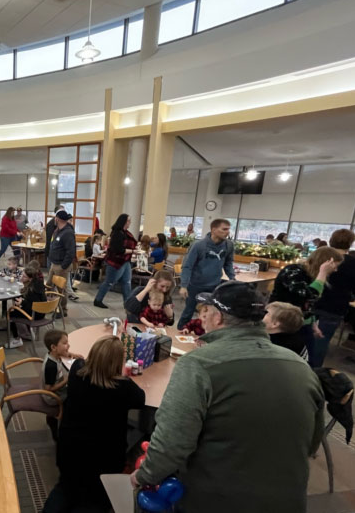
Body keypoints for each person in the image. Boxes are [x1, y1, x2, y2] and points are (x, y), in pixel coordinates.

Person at [131, 281, 324, 513]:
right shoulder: (301, 366)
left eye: (206, 311)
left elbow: (173, 443)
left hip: (215, 500)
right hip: (289, 500)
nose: (201, 316)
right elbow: (313, 442)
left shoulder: (197, 365)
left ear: (218, 318)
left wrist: (144, 475)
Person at [44, 336, 145, 513]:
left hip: (70, 449)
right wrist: (122, 375)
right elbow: (141, 399)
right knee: (94, 500)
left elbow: (80, 360)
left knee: (65, 487)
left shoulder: (77, 371)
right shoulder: (123, 388)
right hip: (104, 457)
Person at [269, 246, 341, 366]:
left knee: (308, 360)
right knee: (285, 362)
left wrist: (313, 323)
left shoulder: (312, 275)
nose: (335, 270)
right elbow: (309, 295)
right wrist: (322, 273)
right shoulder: (293, 271)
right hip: (283, 323)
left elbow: (308, 305)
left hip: (303, 323)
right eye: (334, 266)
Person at [312, 229, 355, 366]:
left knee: (304, 334)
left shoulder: (320, 256)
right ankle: (313, 371)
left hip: (313, 299)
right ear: (350, 243)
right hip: (335, 305)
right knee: (321, 340)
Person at [177, 218, 235, 329]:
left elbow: (228, 263)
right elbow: (187, 266)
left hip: (214, 285)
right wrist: (183, 286)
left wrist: (232, 277)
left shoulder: (229, 245)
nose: (227, 232)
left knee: (212, 313)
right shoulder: (198, 245)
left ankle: (206, 336)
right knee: (188, 312)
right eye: (224, 229)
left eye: (228, 229)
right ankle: (179, 334)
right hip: (195, 285)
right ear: (213, 229)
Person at [41, 330, 83, 440]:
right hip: (51, 396)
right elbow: (48, 389)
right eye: (64, 343)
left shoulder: (54, 354)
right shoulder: (51, 366)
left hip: (57, 387)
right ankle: (59, 426)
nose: (68, 345)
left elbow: (64, 353)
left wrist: (72, 355)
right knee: (76, 396)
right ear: (54, 347)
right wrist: (66, 380)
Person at [93, 214, 137, 309]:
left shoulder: (125, 233)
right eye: (129, 221)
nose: (130, 222)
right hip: (115, 262)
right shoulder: (117, 233)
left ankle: (127, 303)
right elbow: (118, 250)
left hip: (125, 261)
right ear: (124, 221)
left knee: (127, 282)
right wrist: (133, 251)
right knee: (109, 282)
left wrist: (133, 250)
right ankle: (98, 300)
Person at [7, 265, 47, 349]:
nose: (21, 277)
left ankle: (17, 339)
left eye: (24, 276)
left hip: (35, 314)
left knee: (11, 313)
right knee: (17, 306)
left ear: (30, 279)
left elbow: (32, 305)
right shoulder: (38, 284)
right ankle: (27, 332)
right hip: (42, 312)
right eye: (22, 275)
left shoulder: (32, 290)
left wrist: (23, 302)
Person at [46, 210, 77, 315]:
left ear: (57, 219)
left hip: (61, 266)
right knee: (49, 285)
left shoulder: (68, 232)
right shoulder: (58, 230)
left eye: (55, 218)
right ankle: (49, 306)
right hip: (54, 263)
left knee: (61, 290)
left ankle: (63, 310)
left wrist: (64, 266)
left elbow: (71, 251)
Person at [44, 205, 65, 269]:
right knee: (51, 271)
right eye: (62, 211)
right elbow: (51, 240)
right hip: (51, 252)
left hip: (57, 252)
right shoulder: (52, 224)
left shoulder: (60, 223)